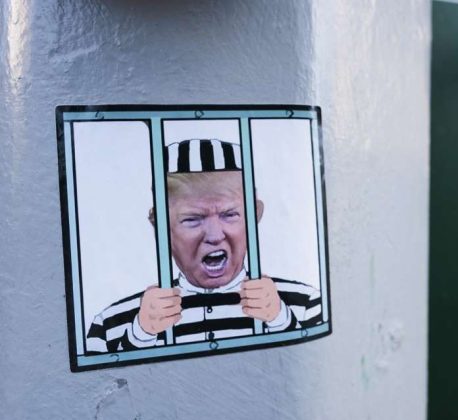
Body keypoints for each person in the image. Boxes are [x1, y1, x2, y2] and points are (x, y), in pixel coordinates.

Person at [86, 139, 323, 353]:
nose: (214, 235)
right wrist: (141, 333)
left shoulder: (305, 305)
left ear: (254, 216)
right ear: (160, 227)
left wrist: (281, 320)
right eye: (192, 219)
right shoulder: (109, 327)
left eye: (229, 214)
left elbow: (314, 375)